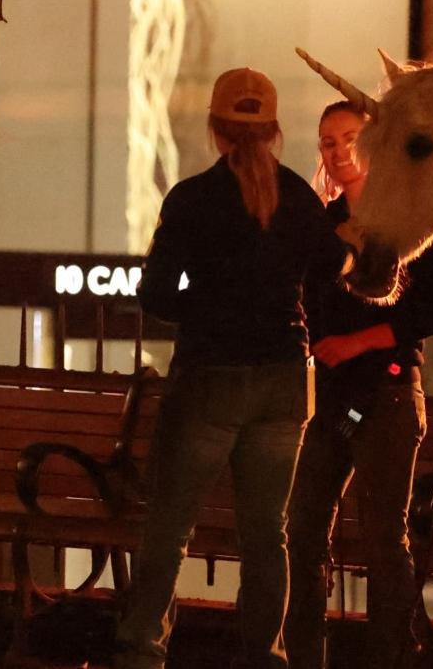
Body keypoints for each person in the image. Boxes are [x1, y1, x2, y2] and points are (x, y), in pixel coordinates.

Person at [114, 68, 348, 669]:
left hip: (211, 376)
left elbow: (158, 295)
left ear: (217, 130)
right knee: (267, 534)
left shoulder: (191, 199)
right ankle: (266, 658)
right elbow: (334, 270)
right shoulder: (301, 198)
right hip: (285, 378)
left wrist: (212, 306)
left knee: (171, 523)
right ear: (273, 131)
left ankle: (143, 652)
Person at [283, 100, 433, 669]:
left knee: (385, 539)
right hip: (328, 395)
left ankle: (391, 657)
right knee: (304, 532)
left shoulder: (408, 220)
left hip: (385, 393)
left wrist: (362, 340)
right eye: (328, 142)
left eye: (349, 139)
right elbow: (302, 298)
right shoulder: (319, 225)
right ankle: (305, 656)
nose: (338, 152)